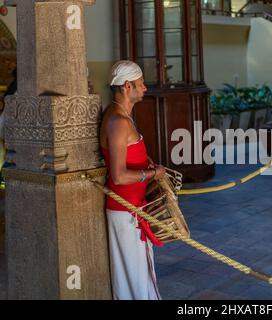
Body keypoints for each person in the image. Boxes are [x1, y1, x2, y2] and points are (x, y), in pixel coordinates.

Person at [100, 60, 166, 300]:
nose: (145, 87)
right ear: (127, 86)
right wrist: (153, 174)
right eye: (141, 83)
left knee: (132, 280)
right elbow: (118, 176)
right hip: (127, 212)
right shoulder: (118, 121)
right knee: (137, 281)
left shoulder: (121, 116)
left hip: (129, 210)